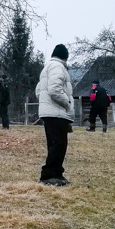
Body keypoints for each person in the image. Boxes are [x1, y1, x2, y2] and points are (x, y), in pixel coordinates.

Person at [35, 44, 74, 186]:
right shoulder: (58, 67)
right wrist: (67, 103)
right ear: (65, 57)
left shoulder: (47, 67)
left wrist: (44, 105)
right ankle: (49, 175)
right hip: (57, 112)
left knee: (54, 144)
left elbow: (39, 90)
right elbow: (54, 90)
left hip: (48, 112)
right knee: (59, 144)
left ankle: (56, 173)